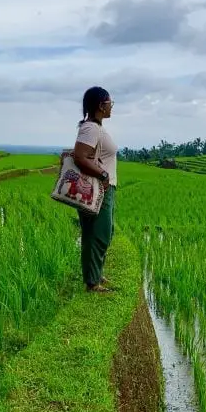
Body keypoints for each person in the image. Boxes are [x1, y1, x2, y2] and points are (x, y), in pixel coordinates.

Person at [73, 87, 117, 293]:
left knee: (100, 232)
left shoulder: (96, 127)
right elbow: (80, 156)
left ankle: (95, 275)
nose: (111, 107)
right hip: (98, 188)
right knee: (99, 233)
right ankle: (93, 282)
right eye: (110, 103)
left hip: (105, 188)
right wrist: (103, 175)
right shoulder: (90, 128)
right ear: (101, 105)